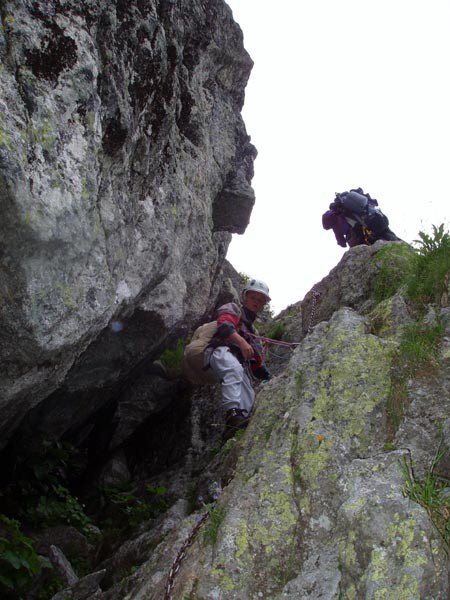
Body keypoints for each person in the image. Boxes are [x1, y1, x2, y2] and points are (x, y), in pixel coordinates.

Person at [204, 279, 272, 440]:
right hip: (220, 352)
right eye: (253, 298)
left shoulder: (253, 330)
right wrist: (241, 342)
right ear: (245, 297)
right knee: (234, 369)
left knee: (248, 394)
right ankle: (232, 414)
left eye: (260, 301)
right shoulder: (233, 309)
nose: (257, 302)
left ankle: (234, 430)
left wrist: (267, 375)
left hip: (236, 361)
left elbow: (256, 362)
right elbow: (224, 325)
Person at [322, 188, 401, 248]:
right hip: (376, 216)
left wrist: (343, 242)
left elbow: (342, 242)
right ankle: (408, 250)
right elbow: (372, 203)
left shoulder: (337, 216)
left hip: (365, 231)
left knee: (377, 246)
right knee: (391, 236)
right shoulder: (353, 198)